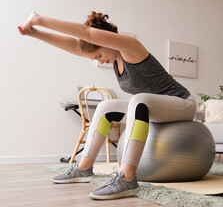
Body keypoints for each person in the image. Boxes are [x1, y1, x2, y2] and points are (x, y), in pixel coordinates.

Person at [18, 11, 197, 200]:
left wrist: (40, 20)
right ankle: (83, 168)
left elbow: (86, 33)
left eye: (99, 55)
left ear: (107, 41)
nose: (101, 60)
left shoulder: (130, 46)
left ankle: (127, 178)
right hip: (157, 108)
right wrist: (34, 33)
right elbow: (75, 44)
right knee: (106, 106)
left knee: (139, 100)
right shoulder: (115, 59)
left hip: (182, 103)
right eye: (96, 59)